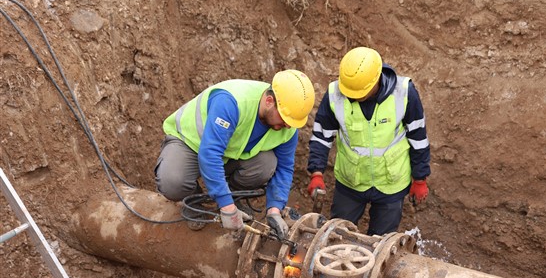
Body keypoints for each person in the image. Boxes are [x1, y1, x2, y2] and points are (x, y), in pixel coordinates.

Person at [155, 70, 315, 239]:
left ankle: (232, 196)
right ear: (269, 101)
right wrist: (226, 206)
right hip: (190, 143)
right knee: (171, 181)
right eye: (284, 119)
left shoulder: (287, 127)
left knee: (266, 165)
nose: (288, 126)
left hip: (229, 154)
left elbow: (285, 168)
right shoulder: (232, 102)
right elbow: (210, 154)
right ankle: (194, 199)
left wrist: (275, 209)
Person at [307, 47, 430, 236]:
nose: (354, 96)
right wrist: (316, 172)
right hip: (351, 182)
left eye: (359, 92)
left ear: (376, 80)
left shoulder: (404, 93)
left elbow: (418, 137)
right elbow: (322, 136)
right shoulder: (335, 94)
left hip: (391, 184)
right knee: (337, 237)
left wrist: (420, 178)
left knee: (380, 243)